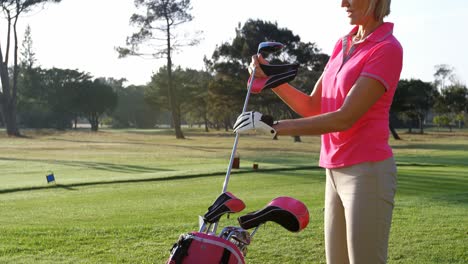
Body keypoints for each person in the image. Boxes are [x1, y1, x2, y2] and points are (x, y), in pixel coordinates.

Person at [233, 0, 403, 263]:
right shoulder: (342, 44)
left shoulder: (387, 48)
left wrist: (273, 128)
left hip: (367, 173)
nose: (343, 3)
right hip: (333, 170)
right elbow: (313, 106)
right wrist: (271, 82)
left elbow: (345, 118)